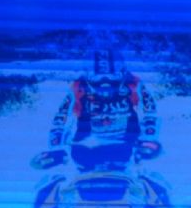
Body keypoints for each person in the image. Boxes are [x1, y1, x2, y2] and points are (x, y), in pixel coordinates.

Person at [32, 47, 161, 173]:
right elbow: (62, 118)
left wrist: (148, 138)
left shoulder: (134, 83)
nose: (105, 83)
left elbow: (149, 112)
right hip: (85, 150)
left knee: (147, 177)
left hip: (127, 148)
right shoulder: (78, 86)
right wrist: (57, 148)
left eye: (113, 78)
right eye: (97, 78)